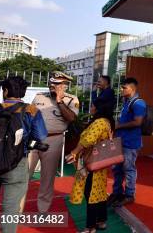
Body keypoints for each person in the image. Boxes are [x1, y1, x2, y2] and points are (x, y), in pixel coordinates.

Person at [0, 76, 48, 233]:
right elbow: (41, 136)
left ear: (6, 90)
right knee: (10, 208)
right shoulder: (31, 110)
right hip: (17, 161)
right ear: (22, 93)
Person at [28, 71, 79, 213]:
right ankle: (14, 210)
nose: (52, 85)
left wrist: (59, 100)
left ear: (65, 86)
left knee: (47, 177)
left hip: (53, 139)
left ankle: (42, 211)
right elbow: (30, 115)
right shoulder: (39, 97)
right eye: (51, 83)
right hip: (34, 140)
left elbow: (71, 118)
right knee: (24, 174)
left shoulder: (72, 99)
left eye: (56, 84)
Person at [66, 98, 116, 233]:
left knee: (91, 193)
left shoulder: (99, 122)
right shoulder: (107, 122)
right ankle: (101, 221)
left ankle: (90, 227)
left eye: (93, 106)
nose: (91, 108)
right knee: (99, 193)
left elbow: (88, 140)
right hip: (100, 162)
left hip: (92, 162)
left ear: (98, 108)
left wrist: (74, 152)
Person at [110, 77, 146, 207]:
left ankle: (130, 195)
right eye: (122, 87)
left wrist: (119, 126)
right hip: (121, 140)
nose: (121, 89)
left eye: (124, 87)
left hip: (130, 143)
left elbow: (138, 122)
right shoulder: (127, 101)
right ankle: (117, 193)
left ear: (132, 89)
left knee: (128, 168)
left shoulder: (138, 103)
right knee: (117, 168)